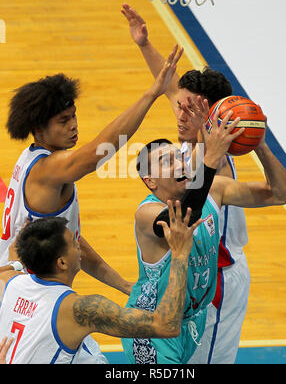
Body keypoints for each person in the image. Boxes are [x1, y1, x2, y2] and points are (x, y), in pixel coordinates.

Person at [0, 45, 182, 362]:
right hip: (36, 295)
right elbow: (100, 150)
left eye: (74, 117)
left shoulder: (31, 159)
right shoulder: (50, 170)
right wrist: (151, 94)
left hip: (16, 287)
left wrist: (123, 284)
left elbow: (74, 243)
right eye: (63, 121)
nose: (73, 125)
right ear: (39, 128)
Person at [121, 3, 249, 363]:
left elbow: (190, 214)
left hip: (217, 276)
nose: (179, 110)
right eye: (180, 106)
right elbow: (170, 90)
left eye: (188, 107)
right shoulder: (186, 146)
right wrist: (144, 44)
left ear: (210, 115)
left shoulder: (216, 154)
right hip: (190, 272)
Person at [121, 104, 286, 363]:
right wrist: (211, 157)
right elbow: (183, 218)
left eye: (178, 157)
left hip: (192, 319)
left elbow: (282, 193)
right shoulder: (146, 213)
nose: (179, 163)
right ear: (150, 181)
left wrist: (259, 144)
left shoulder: (214, 189)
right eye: (166, 162)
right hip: (153, 327)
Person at [0, 211, 202, 364]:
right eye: (74, 243)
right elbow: (166, 326)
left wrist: (16, 264)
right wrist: (180, 254)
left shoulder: (11, 282)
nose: (80, 246)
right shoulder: (80, 309)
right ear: (62, 263)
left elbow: (7, 270)